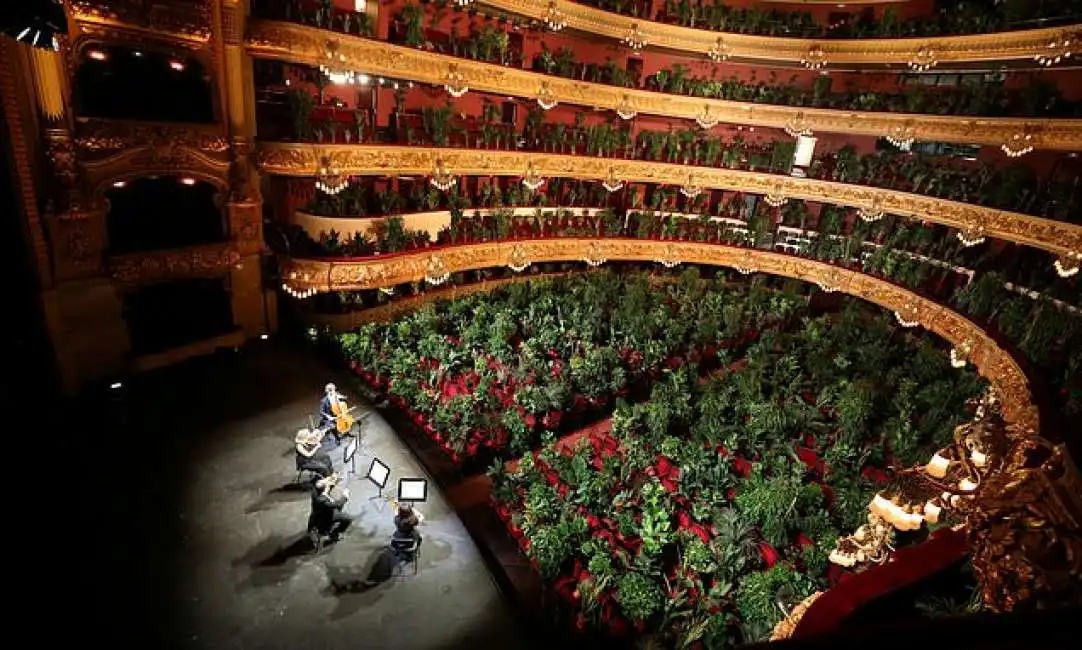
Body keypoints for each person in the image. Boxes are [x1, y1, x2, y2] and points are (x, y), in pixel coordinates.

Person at [309, 473, 352, 542]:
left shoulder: (316, 491)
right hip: (326, 517)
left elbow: (326, 487)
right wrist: (345, 496)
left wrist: (335, 480)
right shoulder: (322, 500)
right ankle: (335, 533)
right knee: (348, 518)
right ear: (325, 488)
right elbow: (338, 504)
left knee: (336, 505)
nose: (327, 482)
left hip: (319, 513)